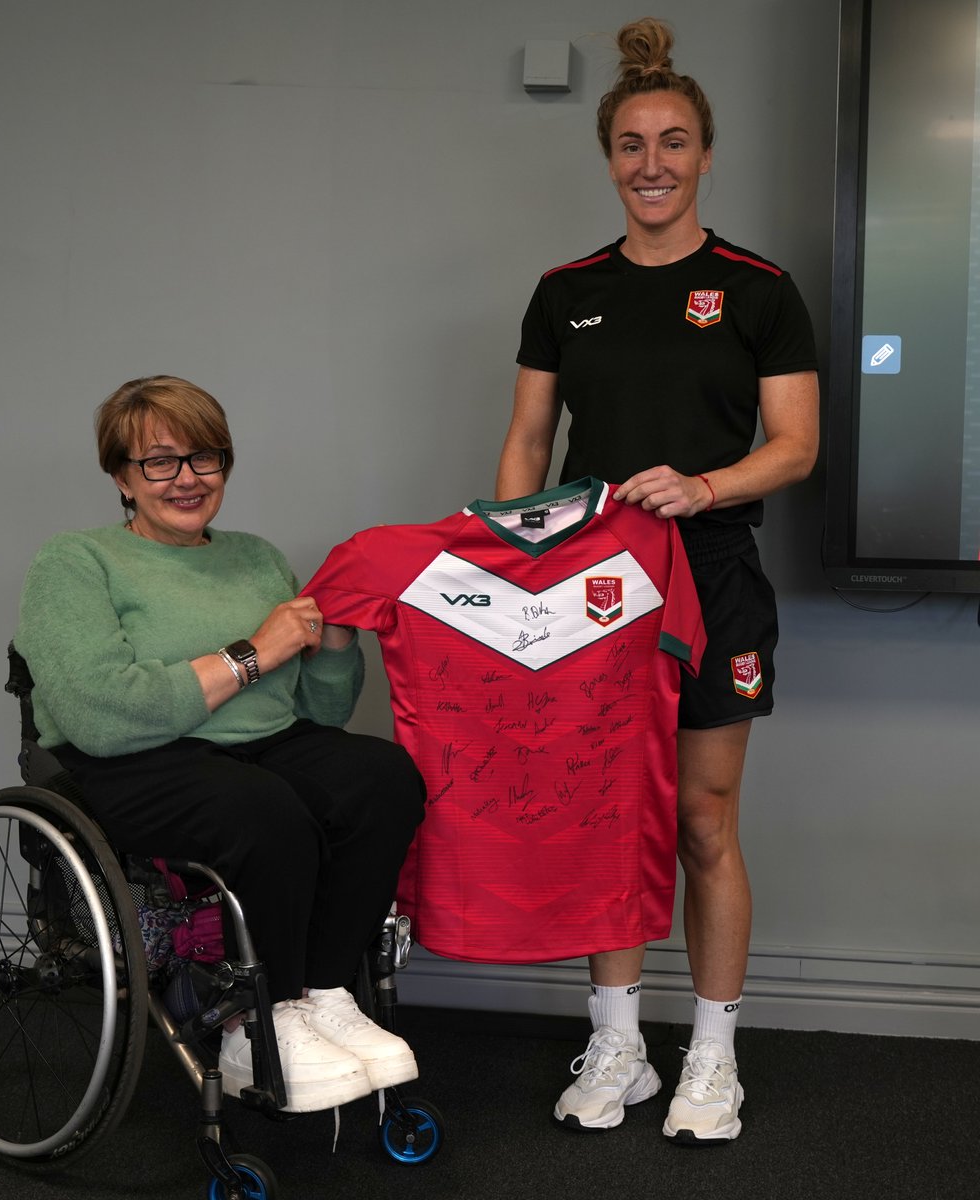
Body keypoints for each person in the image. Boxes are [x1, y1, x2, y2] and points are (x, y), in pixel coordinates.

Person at [495, 18, 819, 1143]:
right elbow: (528, 444)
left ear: (706, 155)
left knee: (702, 822)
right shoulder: (564, 289)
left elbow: (796, 446)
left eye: (674, 142)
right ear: (610, 158)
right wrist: (519, 550)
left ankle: (712, 1060)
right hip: (592, 585)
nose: (652, 163)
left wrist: (707, 486)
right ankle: (621, 1044)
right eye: (632, 143)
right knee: (607, 812)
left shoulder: (759, 290)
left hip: (714, 575)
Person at [15, 374, 426, 1113]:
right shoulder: (75, 561)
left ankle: (324, 993)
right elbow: (102, 713)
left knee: (382, 775)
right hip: (133, 759)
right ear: (121, 477)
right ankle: (255, 1021)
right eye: (159, 462)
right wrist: (255, 652)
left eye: (205, 458)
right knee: (263, 810)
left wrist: (334, 637)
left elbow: (319, 713)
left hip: (260, 745)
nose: (186, 479)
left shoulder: (258, 557)